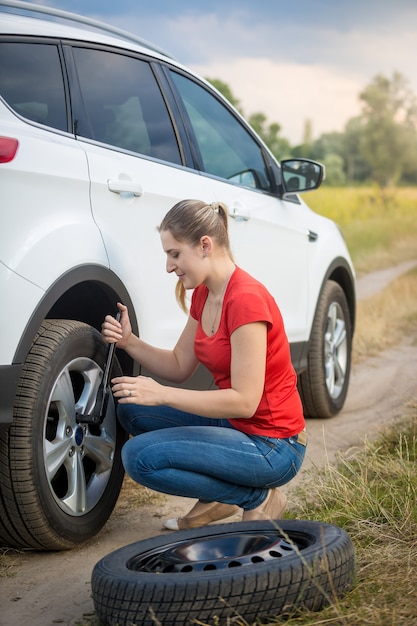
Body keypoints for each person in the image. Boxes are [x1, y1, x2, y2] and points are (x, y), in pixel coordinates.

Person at [101, 199, 307, 531]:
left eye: (174, 254)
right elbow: (180, 364)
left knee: (138, 458)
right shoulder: (204, 294)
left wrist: (163, 395)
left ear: (205, 246)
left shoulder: (246, 300)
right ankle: (219, 496)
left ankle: (254, 497)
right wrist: (130, 342)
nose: (169, 267)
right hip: (238, 426)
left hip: (274, 445)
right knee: (131, 410)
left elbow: (245, 400)